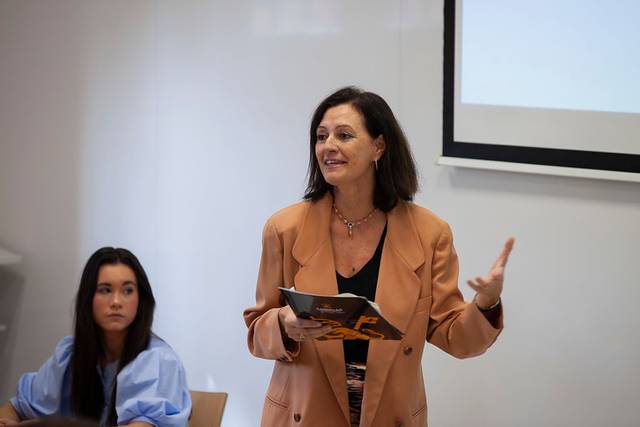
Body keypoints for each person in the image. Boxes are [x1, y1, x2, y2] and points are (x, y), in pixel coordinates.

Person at [243, 86, 515, 426]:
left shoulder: (430, 233)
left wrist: (486, 303)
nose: (328, 146)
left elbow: (456, 337)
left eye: (344, 135)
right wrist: (284, 323)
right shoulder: (284, 228)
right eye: (321, 136)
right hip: (306, 413)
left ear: (379, 146)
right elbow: (256, 332)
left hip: (391, 415)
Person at [0, 247, 191, 427]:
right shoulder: (71, 355)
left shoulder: (157, 360)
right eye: (105, 290)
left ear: (141, 300)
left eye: (127, 291)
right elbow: (17, 407)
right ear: (88, 298)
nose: (116, 302)